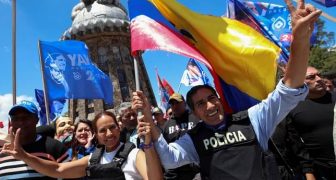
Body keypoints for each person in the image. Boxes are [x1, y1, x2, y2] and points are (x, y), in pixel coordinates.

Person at [133, 0, 321, 179]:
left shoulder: (253, 120)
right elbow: (170, 159)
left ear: (219, 99)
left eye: (211, 98)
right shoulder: (193, 139)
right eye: (200, 103)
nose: (209, 105)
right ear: (195, 113)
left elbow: (288, 88)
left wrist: (300, 40)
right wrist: (149, 119)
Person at [0, 111, 163, 180]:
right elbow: (57, 169)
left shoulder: (134, 154)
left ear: (119, 128)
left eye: (112, 127)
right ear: (96, 134)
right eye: (102, 130)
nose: (108, 134)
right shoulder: (93, 158)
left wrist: (148, 145)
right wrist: (24, 156)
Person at [0, 100, 69, 179]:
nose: (20, 122)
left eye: (26, 117)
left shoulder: (55, 148)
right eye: (15, 118)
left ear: (37, 120)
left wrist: (24, 156)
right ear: (11, 123)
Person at [285, 66, 336, 179]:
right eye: (311, 77)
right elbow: (297, 146)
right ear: (299, 82)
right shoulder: (293, 109)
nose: (318, 79)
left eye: (319, 75)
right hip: (323, 171)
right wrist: (309, 173)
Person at [161, 93, 200, 180]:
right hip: (179, 172)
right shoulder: (166, 126)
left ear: (184, 103)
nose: (175, 106)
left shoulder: (196, 117)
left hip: (198, 167)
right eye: (172, 104)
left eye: (177, 102)